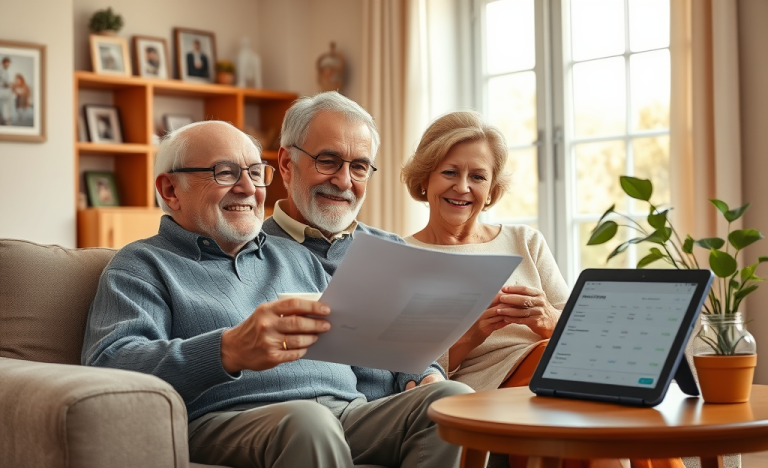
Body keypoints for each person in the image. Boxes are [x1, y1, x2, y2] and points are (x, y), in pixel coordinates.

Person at [81, 120, 471, 468]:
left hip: (346, 413)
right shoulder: (142, 264)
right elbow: (108, 365)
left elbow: (373, 338)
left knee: (450, 401)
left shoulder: (293, 253)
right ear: (170, 189)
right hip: (228, 419)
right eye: (224, 172)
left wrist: (419, 374)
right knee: (307, 423)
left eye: (255, 172)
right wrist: (227, 349)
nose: (248, 188)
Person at [401, 111, 684, 468]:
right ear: (425, 177)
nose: (463, 187)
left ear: (491, 190)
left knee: (595, 384)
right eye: (449, 172)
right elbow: (402, 366)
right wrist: (474, 333)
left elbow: (579, 327)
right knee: (582, 382)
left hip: (553, 368)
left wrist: (548, 318)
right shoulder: (402, 255)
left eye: (478, 176)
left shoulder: (524, 240)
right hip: (482, 385)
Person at [0, 57, 13, 125]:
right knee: (1, 106)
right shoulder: (1, 71)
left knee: (8, 107)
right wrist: (8, 84)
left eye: (8, 63)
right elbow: (5, 81)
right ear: (3, 63)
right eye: (6, 63)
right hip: (1, 90)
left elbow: (10, 82)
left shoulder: (9, 71)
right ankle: (2, 121)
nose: (7, 64)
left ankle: (7, 120)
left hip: (7, 91)